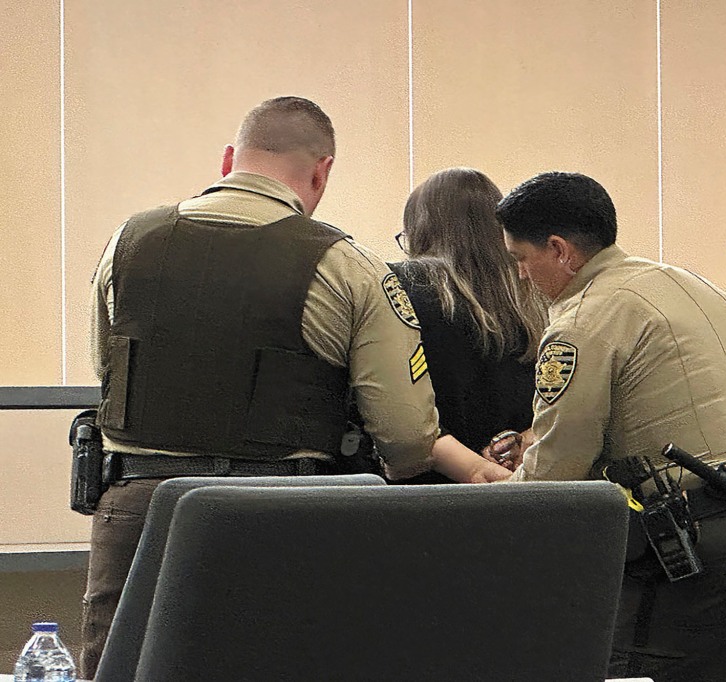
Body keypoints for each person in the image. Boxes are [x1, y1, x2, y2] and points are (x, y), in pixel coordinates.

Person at [82, 96, 505, 677]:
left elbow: (108, 371)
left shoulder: (125, 242)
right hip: (281, 519)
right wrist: (494, 477)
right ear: (321, 171)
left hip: (138, 514)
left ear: (230, 158)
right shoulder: (346, 264)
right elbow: (407, 438)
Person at [494, 171, 726, 681]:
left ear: (560, 250)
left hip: (709, 548)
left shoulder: (583, 319)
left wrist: (485, 511)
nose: (521, 276)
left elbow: (554, 477)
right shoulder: (685, 281)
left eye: (522, 259)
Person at [389, 167, 546, 483]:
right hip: (524, 481)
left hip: (427, 487)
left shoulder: (400, 285)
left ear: (419, 233)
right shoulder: (537, 294)